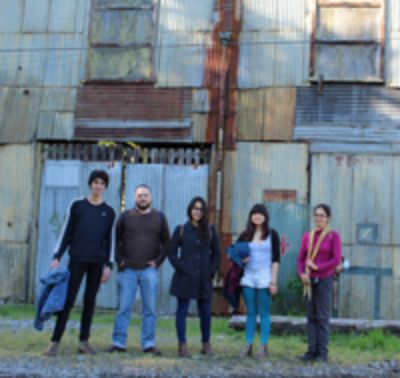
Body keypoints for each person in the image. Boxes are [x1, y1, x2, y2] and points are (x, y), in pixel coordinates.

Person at [43, 170, 116, 356]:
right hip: (76, 261)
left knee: (90, 302)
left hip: (97, 263)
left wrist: (108, 265)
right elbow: (66, 232)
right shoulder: (77, 206)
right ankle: (54, 342)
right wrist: (56, 256)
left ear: (105, 187)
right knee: (67, 301)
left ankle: (84, 342)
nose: (98, 186)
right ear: (90, 184)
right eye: (96, 182)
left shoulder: (109, 212)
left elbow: (109, 241)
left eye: (102, 183)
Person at [108, 184, 170, 356]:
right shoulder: (125, 216)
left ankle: (148, 343)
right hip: (127, 270)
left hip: (148, 271)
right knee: (124, 308)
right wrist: (120, 261)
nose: (143, 198)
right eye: (139, 195)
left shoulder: (160, 217)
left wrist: (157, 262)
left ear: (151, 197)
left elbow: (167, 243)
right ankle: (119, 342)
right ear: (134, 197)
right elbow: (115, 240)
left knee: (150, 309)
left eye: (146, 195)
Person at [168, 197, 220, 357]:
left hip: (204, 278)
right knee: (182, 311)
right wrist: (182, 268)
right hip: (185, 277)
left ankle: (206, 343)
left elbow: (216, 254)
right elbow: (171, 253)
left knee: (205, 312)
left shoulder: (210, 231)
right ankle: (182, 344)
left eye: (201, 209)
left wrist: (211, 271)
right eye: (195, 209)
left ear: (204, 212)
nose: (197, 212)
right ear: (190, 210)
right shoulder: (181, 230)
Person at [297, 204, 342, 363]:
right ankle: (311, 351)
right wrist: (302, 273)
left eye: (322, 215)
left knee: (322, 316)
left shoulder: (333, 236)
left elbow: (336, 259)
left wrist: (318, 267)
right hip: (309, 281)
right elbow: (301, 258)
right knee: (311, 316)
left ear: (328, 218)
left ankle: (322, 352)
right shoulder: (307, 236)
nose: (318, 218)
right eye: (316, 215)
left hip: (324, 279)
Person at [238, 204, 280, 358]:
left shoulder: (272, 234)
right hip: (248, 276)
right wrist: (242, 259)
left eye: (260, 214)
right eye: (254, 214)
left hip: (265, 277)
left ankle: (263, 345)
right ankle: (248, 343)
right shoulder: (245, 235)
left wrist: (273, 282)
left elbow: (276, 259)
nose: (257, 216)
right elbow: (234, 253)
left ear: (265, 216)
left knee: (263, 312)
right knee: (250, 313)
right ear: (250, 217)